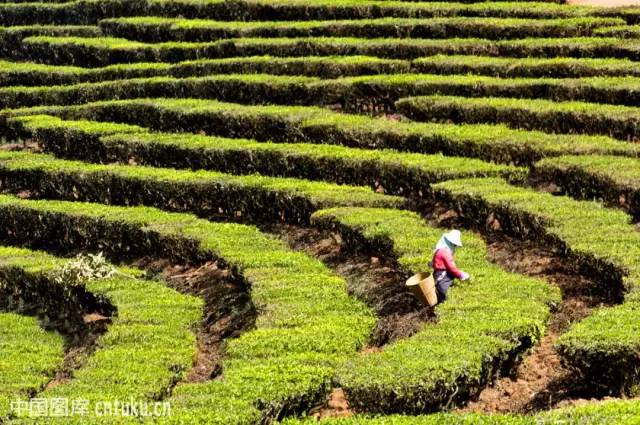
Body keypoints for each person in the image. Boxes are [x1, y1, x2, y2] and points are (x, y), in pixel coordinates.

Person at [431, 230, 470, 304]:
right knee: (444, 298)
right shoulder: (445, 252)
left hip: (437, 276)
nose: (454, 247)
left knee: (439, 298)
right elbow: (452, 268)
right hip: (443, 279)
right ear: (450, 243)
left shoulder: (439, 250)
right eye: (454, 245)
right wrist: (461, 275)